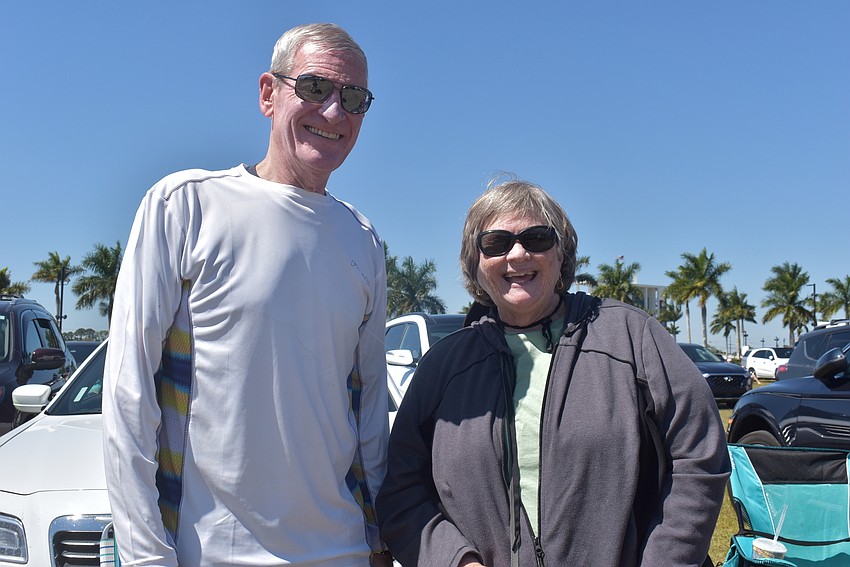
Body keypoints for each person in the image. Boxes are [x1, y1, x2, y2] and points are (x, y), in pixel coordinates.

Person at [103, 23, 392, 566]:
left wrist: (377, 540)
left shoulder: (364, 241)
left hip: (343, 551)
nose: (333, 113)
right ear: (268, 94)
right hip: (208, 554)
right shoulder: (184, 206)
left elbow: (369, 409)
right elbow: (127, 395)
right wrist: (145, 556)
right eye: (313, 88)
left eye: (353, 98)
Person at [376, 179, 731, 566]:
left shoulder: (631, 337)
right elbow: (401, 491)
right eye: (496, 243)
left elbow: (699, 454)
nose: (517, 254)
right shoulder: (444, 367)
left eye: (537, 238)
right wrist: (455, 561)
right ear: (474, 263)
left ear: (561, 253)